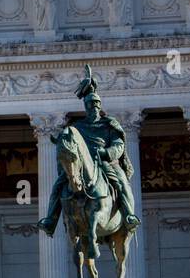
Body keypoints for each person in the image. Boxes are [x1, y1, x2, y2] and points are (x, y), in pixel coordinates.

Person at [38, 65, 140, 235]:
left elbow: (119, 145)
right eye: (90, 105)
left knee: (122, 183)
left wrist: (106, 153)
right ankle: (51, 219)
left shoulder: (108, 125)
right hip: (80, 166)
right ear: (85, 107)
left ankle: (129, 216)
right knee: (58, 186)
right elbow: (68, 146)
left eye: (95, 105)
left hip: (105, 163)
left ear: (99, 107)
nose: (93, 109)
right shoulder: (78, 127)